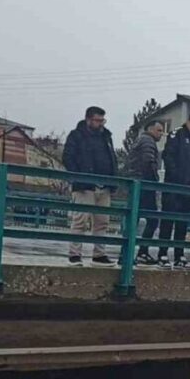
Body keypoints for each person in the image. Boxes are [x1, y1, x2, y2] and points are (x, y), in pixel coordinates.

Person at [63, 106, 116, 266]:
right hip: (84, 185)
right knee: (80, 220)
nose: (101, 124)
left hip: (104, 185)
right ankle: (74, 254)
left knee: (102, 222)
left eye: (102, 120)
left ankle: (99, 254)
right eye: (97, 120)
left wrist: (113, 180)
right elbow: (68, 157)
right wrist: (77, 177)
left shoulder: (106, 137)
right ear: (88, 119)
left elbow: (111, 158)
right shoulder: (76, 136)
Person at [158, 113, 190, 270]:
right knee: (168, 220)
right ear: (187, 123)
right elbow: (168, 156)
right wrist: (176, 176)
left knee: (182, 222)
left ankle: (179, 255)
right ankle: (162, 253)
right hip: (173, 185)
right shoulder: (176, 134)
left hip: (189, 187)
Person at [124, 119, 164, 265]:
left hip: (136, 183)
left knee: (133, 219)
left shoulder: (141, 140)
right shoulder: (148, 142)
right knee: (152, 219)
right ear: (151, 130)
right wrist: (154, 181)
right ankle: (142, 252)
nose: (161, 134)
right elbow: (148, 162)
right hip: (144, 185)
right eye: (159, 130)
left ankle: (127, 253)